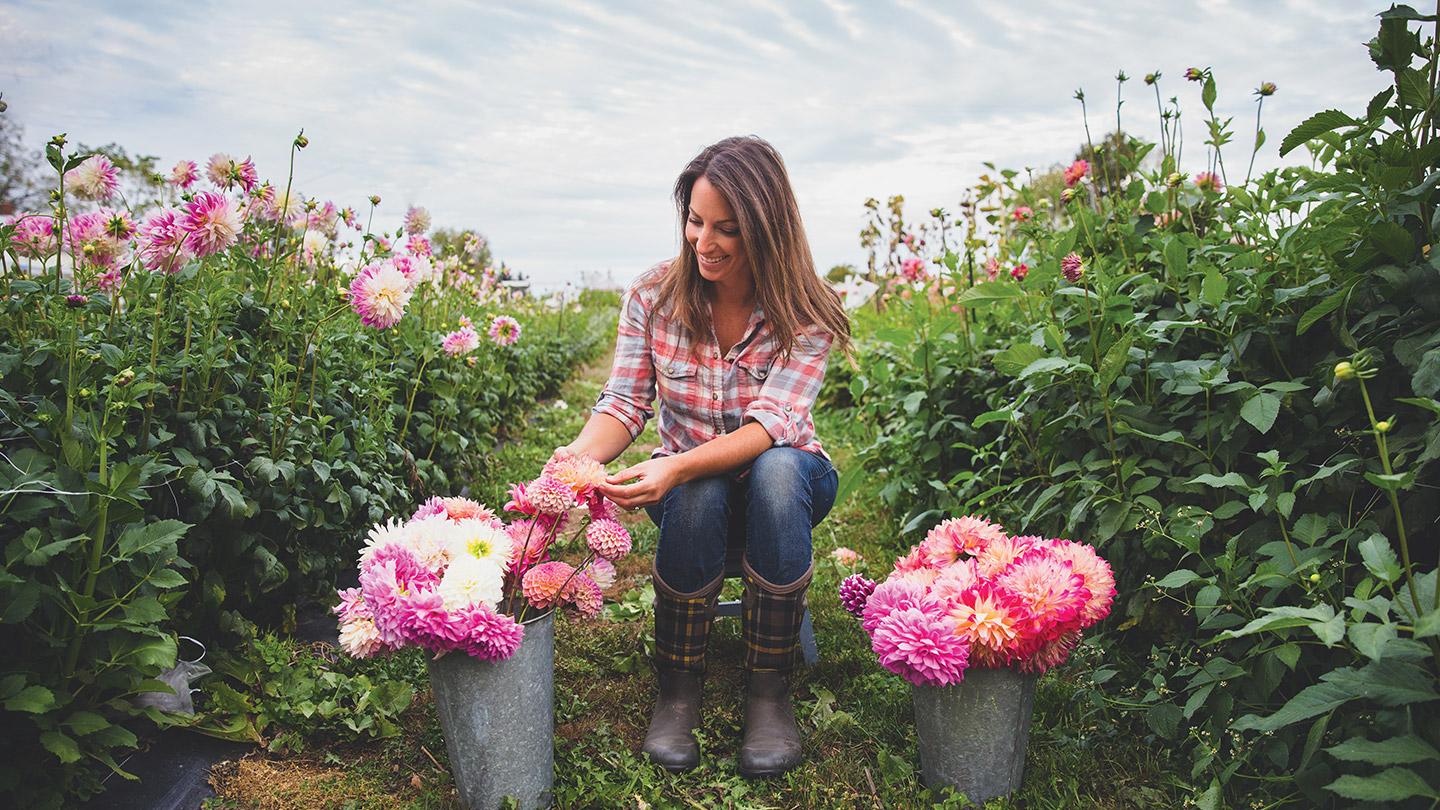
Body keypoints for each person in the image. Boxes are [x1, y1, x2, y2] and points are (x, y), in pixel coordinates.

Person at [552, 135, 851, 778]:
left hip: (789, 488)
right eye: (694, 220)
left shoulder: (806, 311)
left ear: (767, 229)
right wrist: (574, 460)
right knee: (698, 487)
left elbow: (773, 426)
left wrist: (678, 463)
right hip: (692, 499)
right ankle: (678, 690)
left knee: (768, 469)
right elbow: (624, 404)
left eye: (727, 229)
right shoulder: (654, 297)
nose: (703, 242)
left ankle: (768, 693)